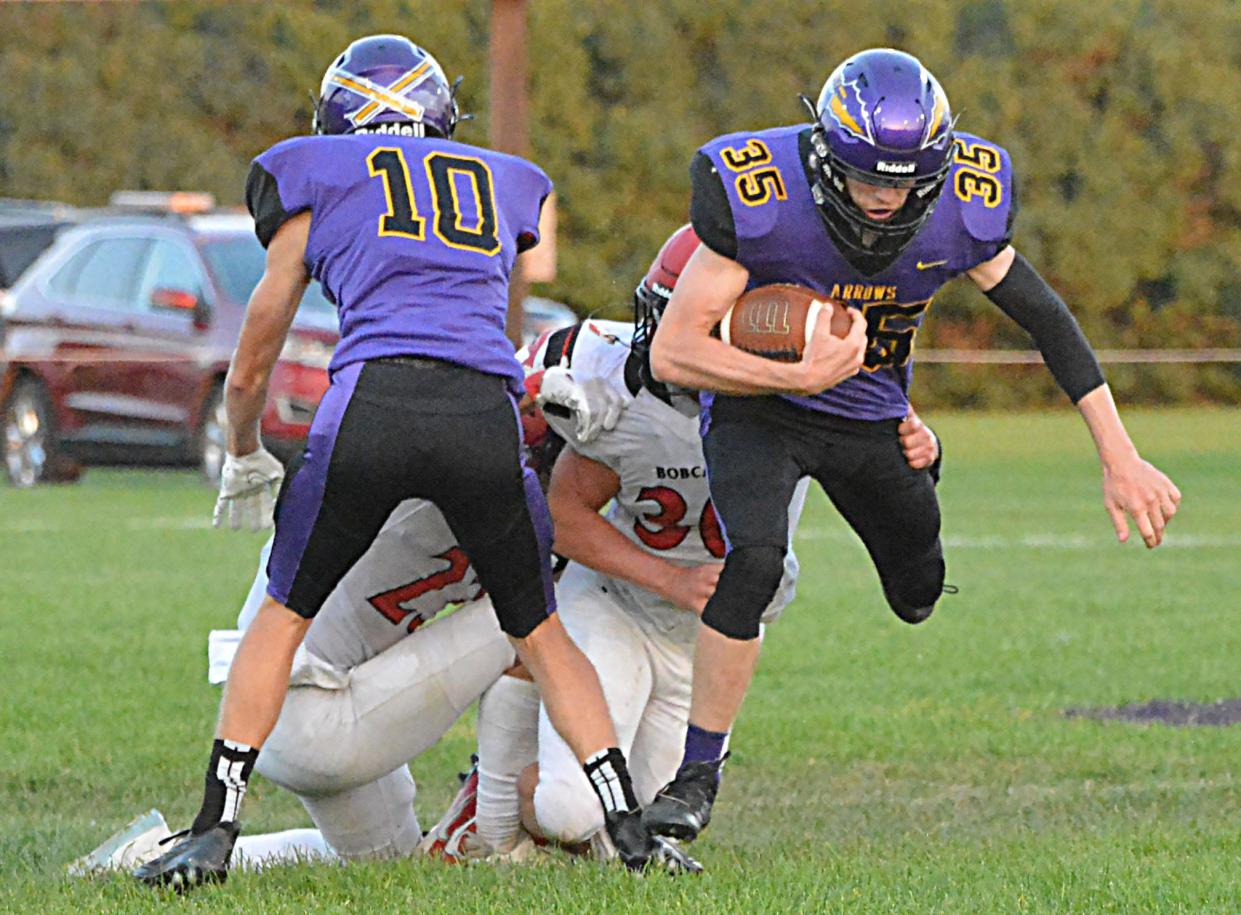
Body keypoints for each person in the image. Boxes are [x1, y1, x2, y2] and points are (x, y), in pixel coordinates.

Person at [136, 34, 664, 889]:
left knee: (280, 616)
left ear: (336, 120)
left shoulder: (317, 175)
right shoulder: (500, 182)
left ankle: (213, 827)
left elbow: (255, 352)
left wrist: (241, 448)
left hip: (372, 402)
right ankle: (631, 829)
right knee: (544, 631)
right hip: (479, 409)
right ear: (441, 118)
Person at [644, 47, 1182, 843]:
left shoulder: (963, 206)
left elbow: (1046, 320)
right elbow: (671, 351)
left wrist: (1118, 452)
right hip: (762, 406)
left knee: (918, 590)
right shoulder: (760, 192)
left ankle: (924, 475)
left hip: (871, 413)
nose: (884, 202)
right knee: (752, 559)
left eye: (903, 185)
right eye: (868, 180)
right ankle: (697, 776)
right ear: (826, 156)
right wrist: (792, 379)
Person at [421, 228, 936, 863]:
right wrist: (667, 579)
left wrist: (920, 446)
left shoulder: (814, 398)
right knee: (570, 810)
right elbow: (563, 508)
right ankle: (491, 797)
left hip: (711, 637)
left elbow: (885, 466)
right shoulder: (623, 391)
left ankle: (577, 813)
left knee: (652, 819)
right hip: (619, 604)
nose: (671, 341)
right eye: (669, 317)